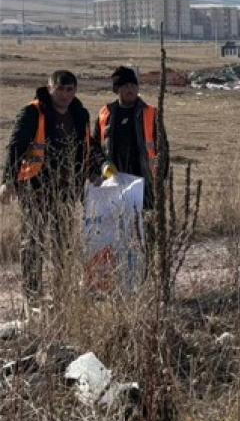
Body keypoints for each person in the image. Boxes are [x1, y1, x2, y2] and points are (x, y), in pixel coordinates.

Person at [0, 70, 93, 300]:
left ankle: (62, 289)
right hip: (36, 187)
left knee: (63, 240)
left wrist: (91, 173)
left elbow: (85, 147)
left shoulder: (79, 114)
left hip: (67, 188)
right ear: (49, 88)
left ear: (75, 91)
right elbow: (15, 147)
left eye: (69, 89)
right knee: (34, 239)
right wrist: (7, 180)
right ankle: (32, 293)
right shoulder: (33, 112)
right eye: (59, 89)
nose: (64, 94)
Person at [91, 66, 167, 207]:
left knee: (142, 217)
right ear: (117, 89)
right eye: (125, 86)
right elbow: (94, 146)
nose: (130, 89)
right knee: (115, 217)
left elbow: (163, 148)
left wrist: (161, 177)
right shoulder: (105, 114)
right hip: (113, 179)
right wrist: (103, 164)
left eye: (133, 85)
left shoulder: (150, 114)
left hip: (144, 180)